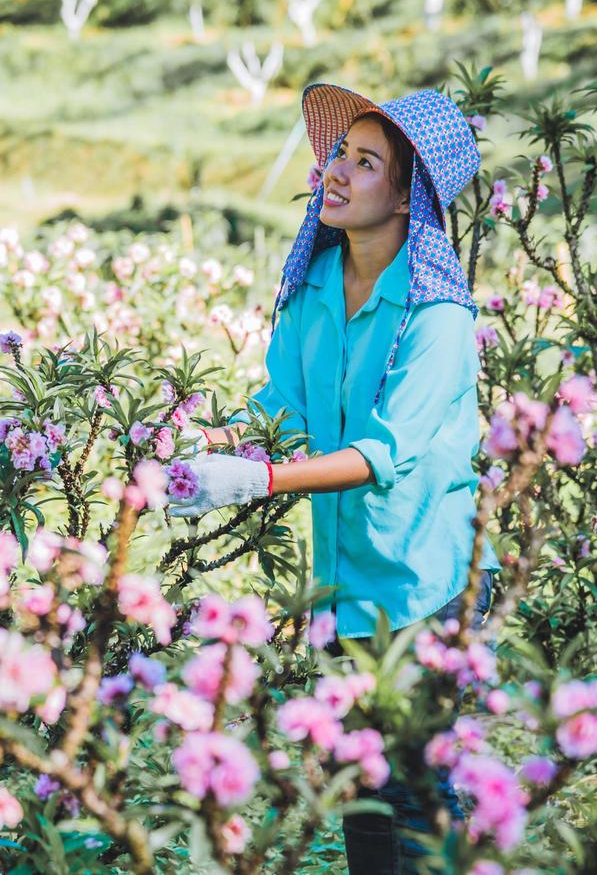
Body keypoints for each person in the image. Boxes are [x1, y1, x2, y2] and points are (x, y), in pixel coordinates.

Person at [166, 83, 500, 875]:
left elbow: (383, 454)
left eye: (365, 162)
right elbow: (278, 406)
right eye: (338, 156)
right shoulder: (315, 288)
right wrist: (195, 439)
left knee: (417, 789)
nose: (335, 174)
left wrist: (256, 480)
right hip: (344, 578)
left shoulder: (437, 319)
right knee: (359, 783)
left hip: (423, 584)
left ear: (407, 195)